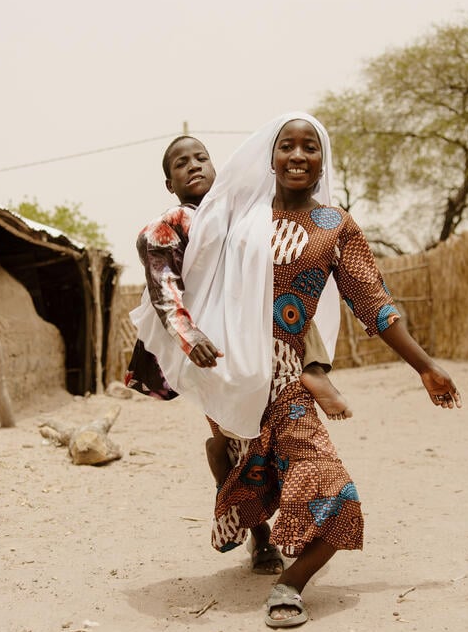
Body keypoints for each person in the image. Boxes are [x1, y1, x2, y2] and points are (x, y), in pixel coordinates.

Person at [133, 113, 460, 628]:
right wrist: (185, 336)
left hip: (285, 379)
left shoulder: (334, 226)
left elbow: (373, 301)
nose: (299, 156)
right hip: (231, 371)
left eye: (311, 148)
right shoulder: (238, 215)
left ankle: (290, 584)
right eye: (288, 146)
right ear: (271, 155)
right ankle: (259, 540)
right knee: (236, 454)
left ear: (322, 160)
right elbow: (176, 262)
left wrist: (425, 367)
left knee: (335, 490)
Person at [125, 134, 351, 574]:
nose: (193, 166)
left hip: (265, 340)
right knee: (240, 440)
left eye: (201, 157)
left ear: (218, 167)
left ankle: (314, 367)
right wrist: (190, 338)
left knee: (273, 434)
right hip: (213, 351)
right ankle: (260, 535)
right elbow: (164, 291)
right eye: (180, 163)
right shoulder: (168, 225)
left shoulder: (246, 214)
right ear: (169, 183)